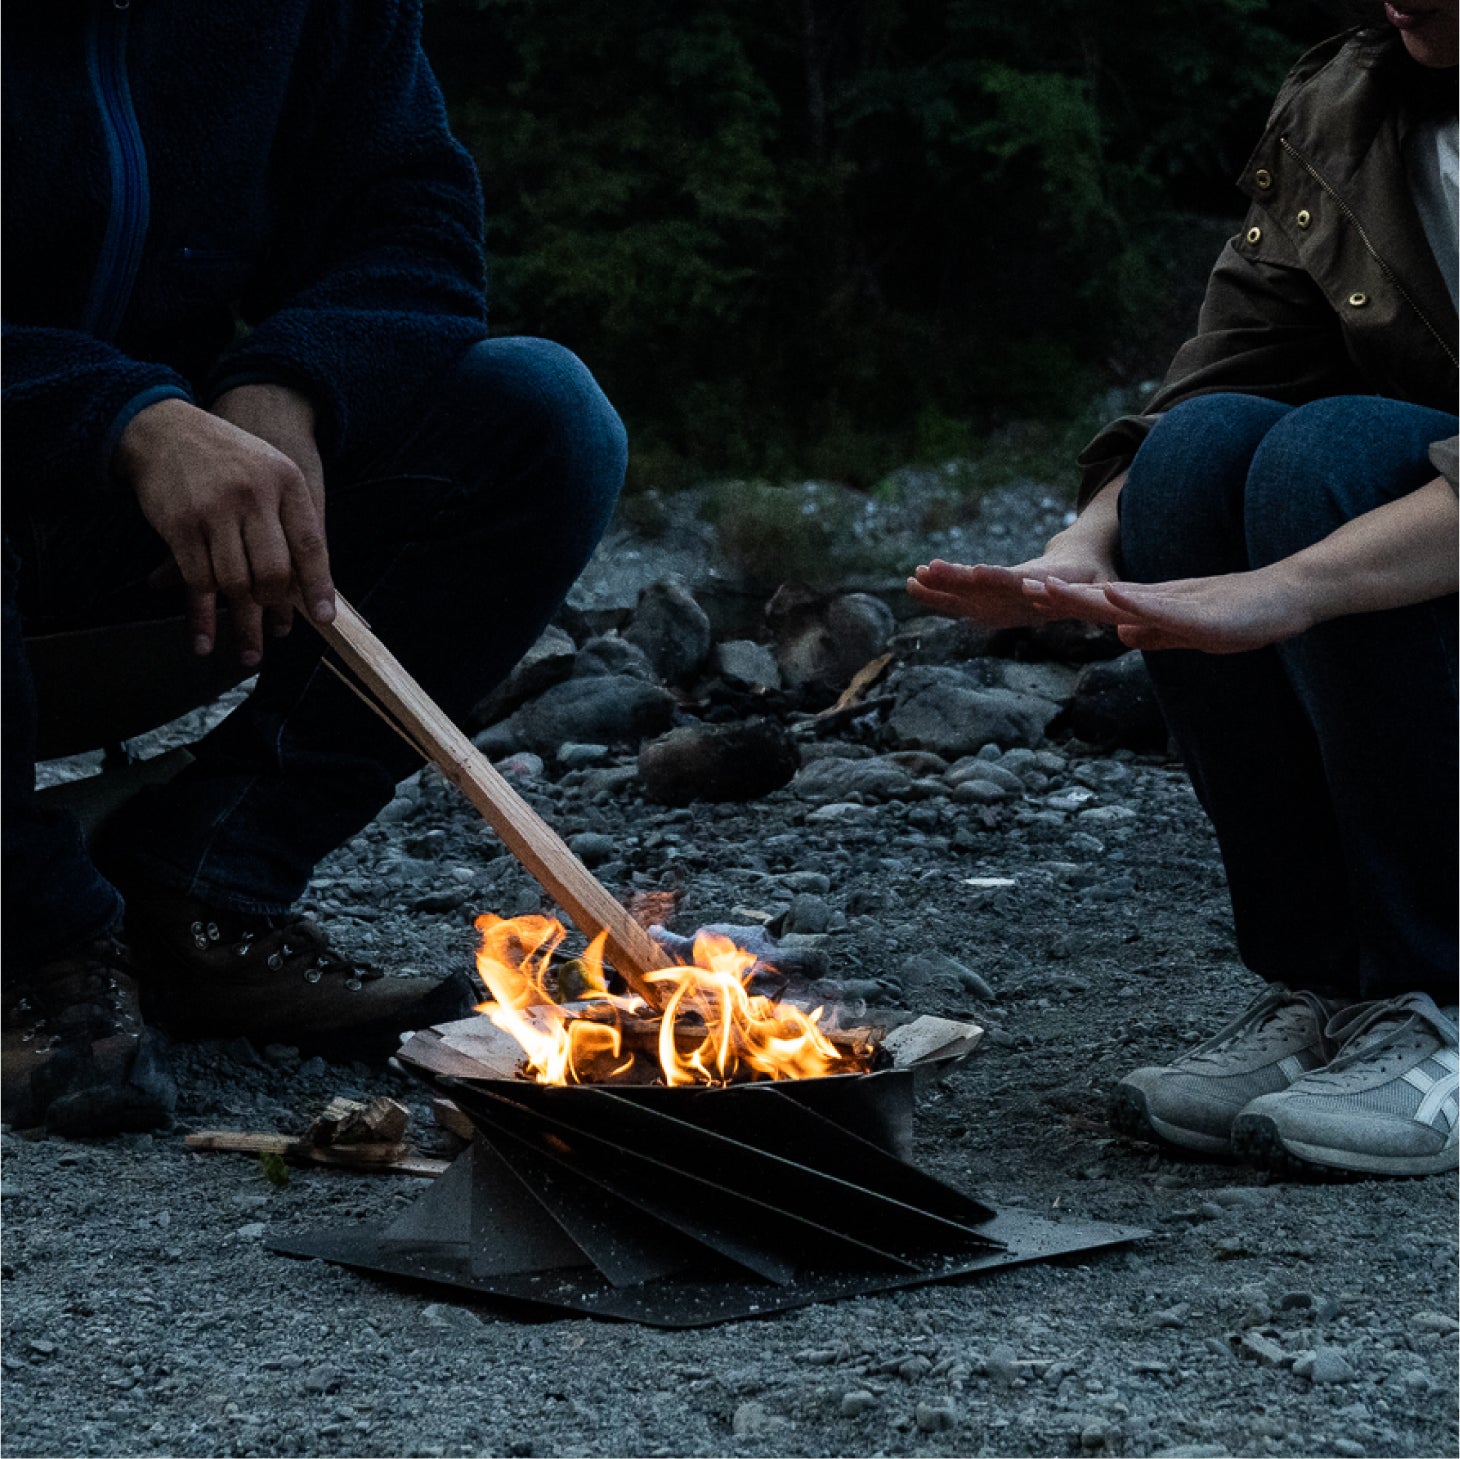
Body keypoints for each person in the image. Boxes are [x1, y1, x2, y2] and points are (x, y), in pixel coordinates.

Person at [2, 3, 628, 1135]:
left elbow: (412, 222)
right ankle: (33, 944)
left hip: (147, 543)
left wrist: (286, 380)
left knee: (541, 419)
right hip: (69, 435)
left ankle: (202, 892)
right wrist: (126, 418)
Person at [909, 0, 1458, 1177]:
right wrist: (1077, 550)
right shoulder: (1343, 105)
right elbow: (1223, 374)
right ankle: (1338, 994)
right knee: (1192, 457)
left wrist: (1289, 589)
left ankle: (1444, 996)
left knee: (1325, 457)